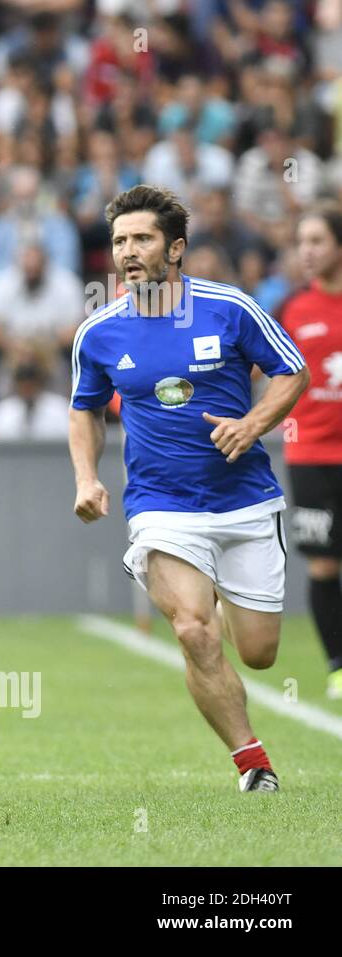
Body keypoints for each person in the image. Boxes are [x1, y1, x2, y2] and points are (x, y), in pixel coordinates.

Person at [69, 185, 309, 792]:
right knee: (193, 630)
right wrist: (88, 477)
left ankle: (224, 593)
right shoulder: (98, 333)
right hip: (161, 506)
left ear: (175, 249)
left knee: (258, 654)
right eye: (120, 240)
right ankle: (252, 764)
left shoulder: (230, 308)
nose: (128, 251)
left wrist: (253, 424)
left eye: (142, 239)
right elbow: (86, 410)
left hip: (246, 500)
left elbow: (292, 371)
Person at [279, 205, 342, 697]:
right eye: (302, 241)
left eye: (318, 240)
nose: (308, 250)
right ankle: (339, 666)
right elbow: (265, 373)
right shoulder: (292, 310)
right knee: (323, 564)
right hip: (311, 457)